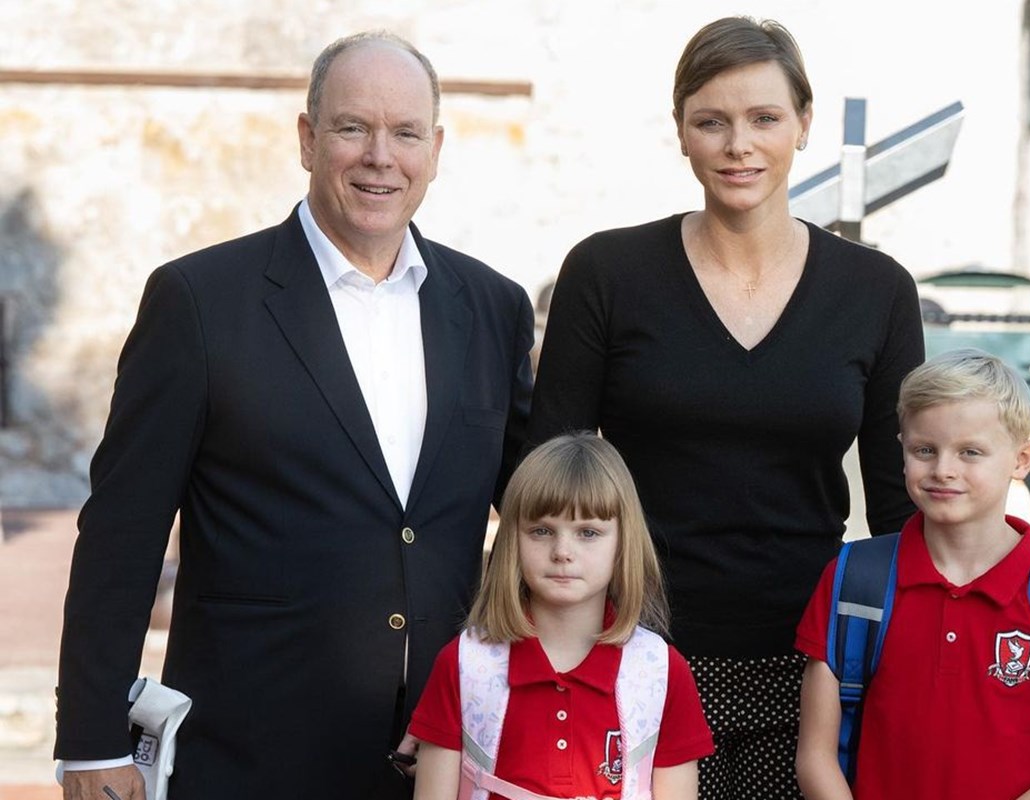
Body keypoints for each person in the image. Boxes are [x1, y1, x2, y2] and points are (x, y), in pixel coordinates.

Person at [54, 31, 533, 800]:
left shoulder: (492, 308)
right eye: (353, 127)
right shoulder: (199, 303)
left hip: (445, 759)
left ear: (435, 149)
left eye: (405, 133)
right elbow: (122, 533)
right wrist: (89, 742)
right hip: (251, 756)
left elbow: (538, 508)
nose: (382, 156)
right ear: (308, 139)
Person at [527, 16, 923, 800]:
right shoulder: (606, 273)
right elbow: (548, 484)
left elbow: (900, 509)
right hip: (631, 656)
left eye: (765, 119)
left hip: (814, 668)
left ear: (804, 124)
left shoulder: (876, 291)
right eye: (712, 121)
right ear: (681, 132)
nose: (739, 145)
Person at [794, 348, 1030, 800]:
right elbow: (815, 757)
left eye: (970, 452)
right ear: (903, 450)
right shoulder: (854, 580)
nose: (943, 470)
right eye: (924, 450)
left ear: (1021, 459)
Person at [409, 433, 714, 800]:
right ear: (512, 541)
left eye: (588, 532)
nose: (562, 551)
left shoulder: (662, 672)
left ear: (623, 543)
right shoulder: (464, 664)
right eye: (541, 531)